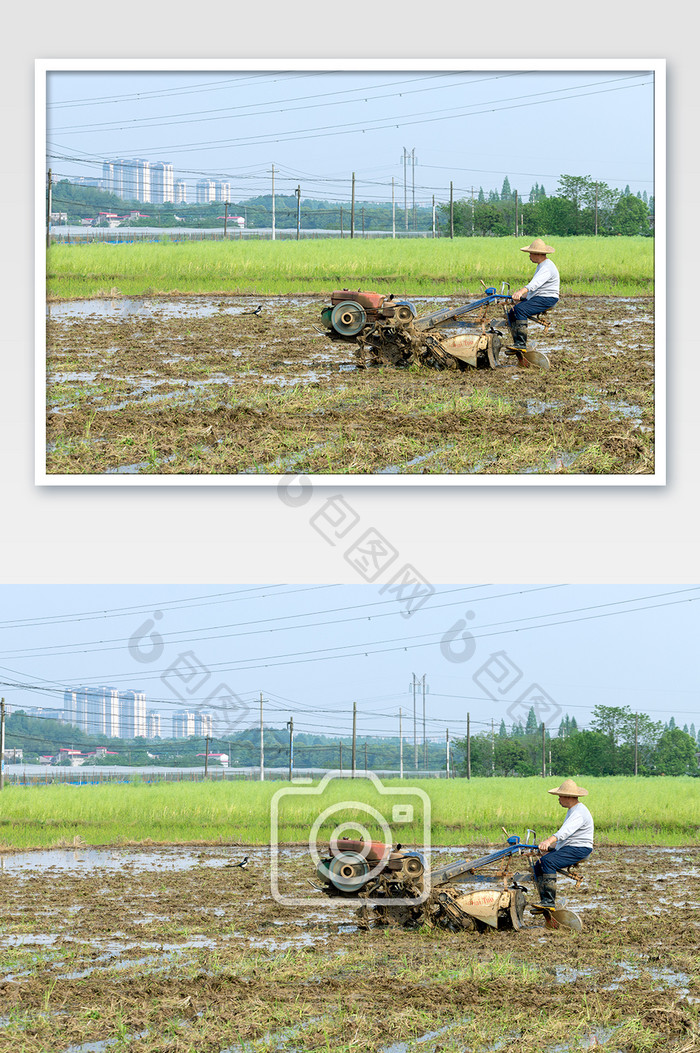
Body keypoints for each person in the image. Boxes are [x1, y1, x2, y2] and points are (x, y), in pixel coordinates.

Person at [533, 778, 593, 911]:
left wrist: (548, 841)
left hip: (580, 848)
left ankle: (549, 902)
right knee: (539, 864)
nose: (558, 799)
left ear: (568, 797)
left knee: (548, 862)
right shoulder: (573, 810)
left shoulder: (579, 812)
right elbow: (568, 837)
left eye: (560, 796)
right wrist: (552, 848)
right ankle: (544, 901)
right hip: (571, 846)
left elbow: (564, 832)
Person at [507, 237, 560, 350]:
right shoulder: (542, 265)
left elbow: (534, 284)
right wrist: (521, 297)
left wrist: (521, 291)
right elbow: (537, 289)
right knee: (512, 312)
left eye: (530, 253)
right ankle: (516, 342)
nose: (529, 256)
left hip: (547, 298)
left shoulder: (547, 267)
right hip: (540, 296)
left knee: (520, 310)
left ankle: (521, 344)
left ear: (537, 254)